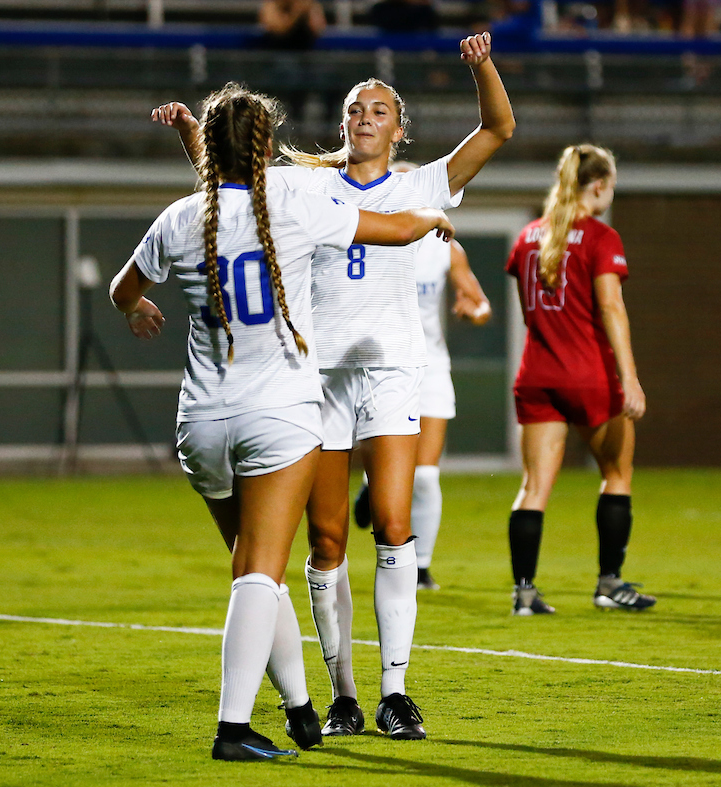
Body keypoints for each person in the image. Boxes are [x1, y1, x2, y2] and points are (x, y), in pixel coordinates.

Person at [153, 31, 512, 741]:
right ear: (343, 122)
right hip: (315, 380)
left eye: (379, 108)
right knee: (324, 539)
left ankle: (397, 690)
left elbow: (499, 128)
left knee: (393, 518)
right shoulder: (305, 184)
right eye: (355, 107)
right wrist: (196, 133)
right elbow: (224, 187)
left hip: (388, 371)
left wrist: (482, 66)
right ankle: (343, 692)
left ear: (400, 127)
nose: (365, 115)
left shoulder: (420, 185)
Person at [118, 83, 453, 760]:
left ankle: (302, 706)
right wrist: (428, 222)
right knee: (260, 575)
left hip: (201, 422)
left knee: (249, 566)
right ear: (269, 148)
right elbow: (387, 228)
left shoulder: (182, 218)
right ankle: (234, 729)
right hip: (276, 415)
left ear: (207, 151)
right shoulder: (298, 201)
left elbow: (128, 288)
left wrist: (135, 311)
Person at [504, 144, 655, 617]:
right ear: (600, 186)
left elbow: (531, 310)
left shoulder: (528, 236)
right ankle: (609, 585)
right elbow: (611, 307)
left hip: (536, 373)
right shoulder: (601, 237)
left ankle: (524, 593)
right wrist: (628, 377)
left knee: (533, 487)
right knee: (616, 475)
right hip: (587, 374)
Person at [354, 161, 494, 592]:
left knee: (427, 474)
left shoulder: (445, 246)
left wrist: (475, 312)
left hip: (431, 366)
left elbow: (480, 302)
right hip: (379, 365)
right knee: (388, 468)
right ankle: (369, 485)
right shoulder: (369, 241)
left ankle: (422, 566)